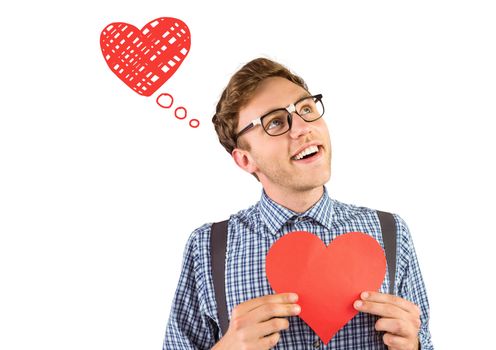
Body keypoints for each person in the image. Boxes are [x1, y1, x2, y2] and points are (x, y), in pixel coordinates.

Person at [163, 58, 433, 349]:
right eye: (276, 122)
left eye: (306, 109)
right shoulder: (207, 246)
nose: (303, 127)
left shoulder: (391, 232)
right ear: (245, 159)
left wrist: (415, 346)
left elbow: (425, 341)